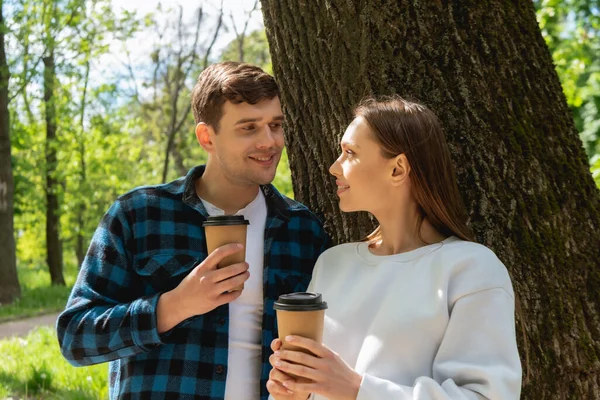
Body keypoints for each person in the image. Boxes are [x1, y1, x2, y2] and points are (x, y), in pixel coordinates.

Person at [57, 61, 330, 400]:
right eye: (248, 128)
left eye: (276, 125)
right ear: (206, 137)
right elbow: (74, 338)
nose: (270, 141)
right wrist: (175, 305)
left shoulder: (302, 230)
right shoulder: (139, 215)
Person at [267, 96, 522, 399]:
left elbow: (487, 396)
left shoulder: (471, 269)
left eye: (350, 153)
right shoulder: (333, 264)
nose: (334, 167)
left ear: (398, 169)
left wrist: (356, 389)